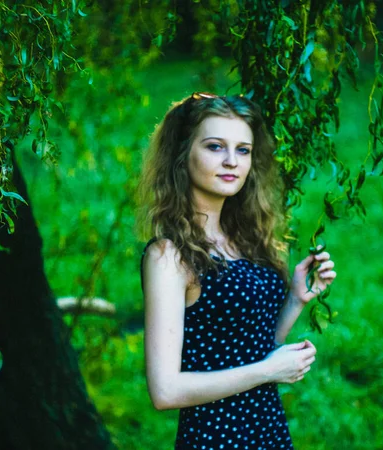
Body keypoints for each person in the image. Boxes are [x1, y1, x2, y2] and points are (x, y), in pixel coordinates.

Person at [138, 92, 337, 449]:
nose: (232, 161)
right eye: (215, 147)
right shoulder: (169, 256)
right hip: (215, 438)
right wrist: (269, 371)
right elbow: (165, 391)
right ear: (182, 155)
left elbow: (246, 348)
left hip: (267, 430)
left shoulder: (245, 238)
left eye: (243, 150)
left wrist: (294, 300)